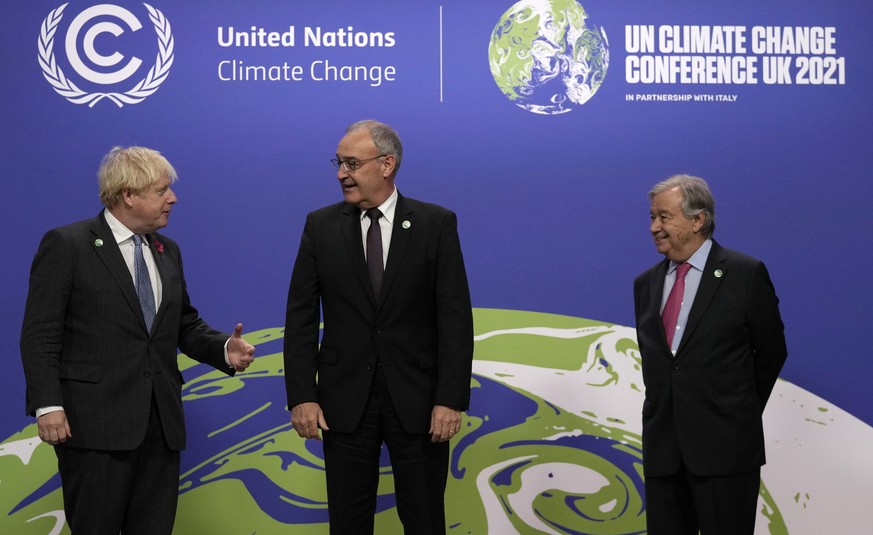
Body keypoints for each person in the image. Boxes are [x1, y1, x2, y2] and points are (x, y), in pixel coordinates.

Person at [20, 146, 256, 534]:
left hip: (160, 427)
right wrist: (48, 406)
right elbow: (40, 333)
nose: (173, 198)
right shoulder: (69, 244)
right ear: (128, 194)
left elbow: (182, 325)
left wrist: (222, 349)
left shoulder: (167, 251)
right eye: (162, 190)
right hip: (94, 427)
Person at [283, 119, 474, 534]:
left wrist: (450, 399)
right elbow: (299, 317)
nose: (340, 174)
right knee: (348, 524)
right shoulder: (321, 226)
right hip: (343, 403)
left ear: (386, 165)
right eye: (338, 163)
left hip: (419, 404)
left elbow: (455, 317)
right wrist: (302, 395)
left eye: (351, 163)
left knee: (424, 520)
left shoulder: (435, 224)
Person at [633, 174, 788, 534]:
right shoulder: (646, 284)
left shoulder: (745, 274)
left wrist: (735, 410)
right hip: (664, 453)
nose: (654, 227)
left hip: (726, 451)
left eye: (664, 217)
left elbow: (771, 352)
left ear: (697, 219)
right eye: (652, 217)